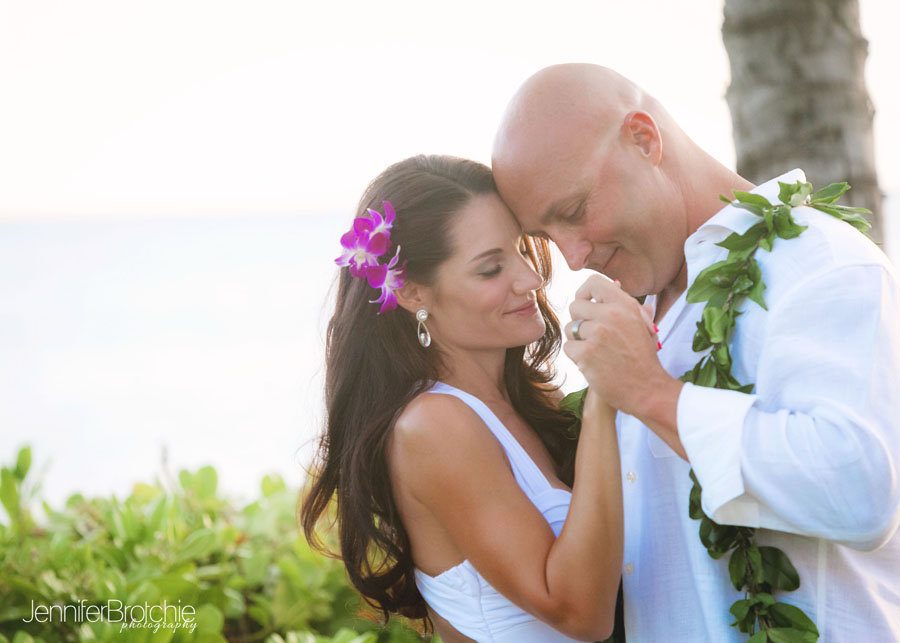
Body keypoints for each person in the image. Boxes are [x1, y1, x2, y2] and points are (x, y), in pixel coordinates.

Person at [491, 63, 900, 641]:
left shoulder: (820, 263)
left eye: (575, 211)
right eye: (547, 236)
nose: (574, 255)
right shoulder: (646, 310)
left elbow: (859, 490)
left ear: (644, 139)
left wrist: (652, 394)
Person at [301, 155, 654, 642]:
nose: (531, 279)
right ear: (412, 294)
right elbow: (581, 614)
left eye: (522, 251)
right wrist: (605, 394)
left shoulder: (532, 401)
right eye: (491, 269)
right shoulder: (433, 427)